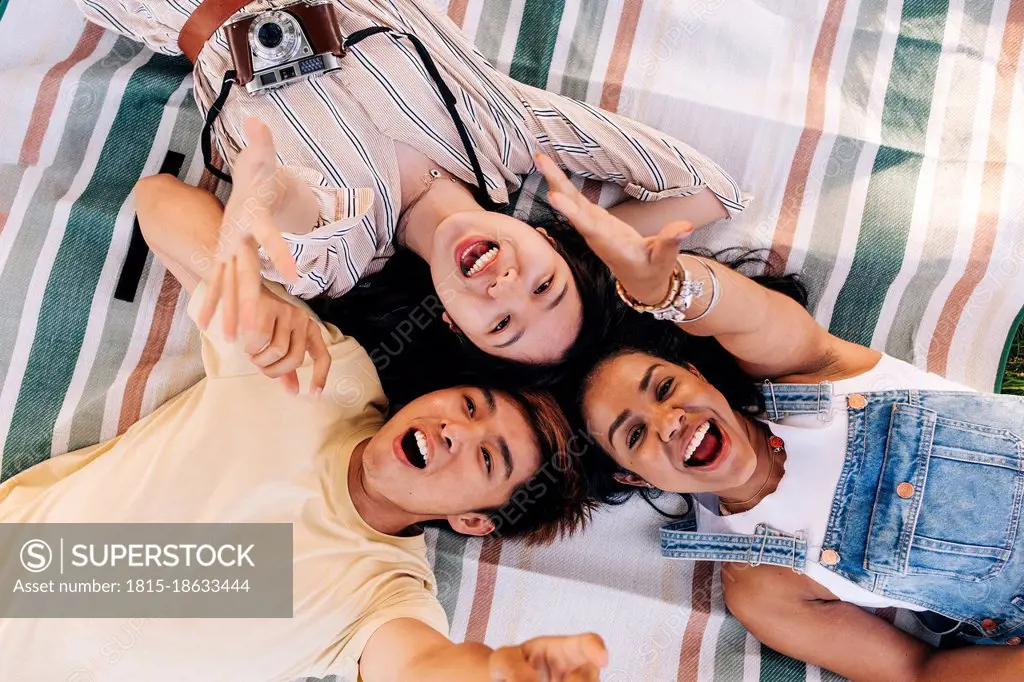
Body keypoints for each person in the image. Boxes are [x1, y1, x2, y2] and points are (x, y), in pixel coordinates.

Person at [0, 175, 606, 681]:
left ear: (473, 520)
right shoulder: (325, 374)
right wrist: (242, 284)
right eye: (471, 404)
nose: (455, 429)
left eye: (487, 459)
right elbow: (157, 198)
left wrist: (496, 672)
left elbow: (423, 665)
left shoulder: (387, 591)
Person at [530, 154, 1024, 681]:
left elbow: (742, 311)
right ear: (633, 474)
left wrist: (663, 288)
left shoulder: (809, 372)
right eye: (634, 434)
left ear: (699, 374)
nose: (668, 420)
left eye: (666, 387)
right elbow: (920, 673)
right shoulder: (759, 586)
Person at [75, 0, 748, 367]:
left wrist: (260, 193)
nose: (505, 285)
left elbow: (288, 207)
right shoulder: (508, 137)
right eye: (545, 284)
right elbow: (710, 190)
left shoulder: (342, 258)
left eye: (502, 324)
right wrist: (615, 263)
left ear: (457, 326)